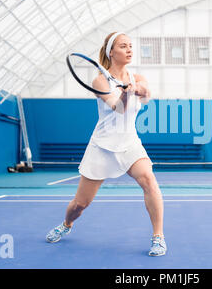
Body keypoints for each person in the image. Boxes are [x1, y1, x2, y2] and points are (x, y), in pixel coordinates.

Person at [46, 32, 166, 256]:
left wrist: (137, 89)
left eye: (131, 46)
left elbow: (147, 95)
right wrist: (125, 96)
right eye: (123, 46)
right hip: (102, 146)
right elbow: (117, 108)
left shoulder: (137, 76)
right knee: (80, 205)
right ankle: (66, 224)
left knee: (149, 180)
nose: (129, 49)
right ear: (112, 52)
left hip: (129, 142)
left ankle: (158, 237)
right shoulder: (99, 80)